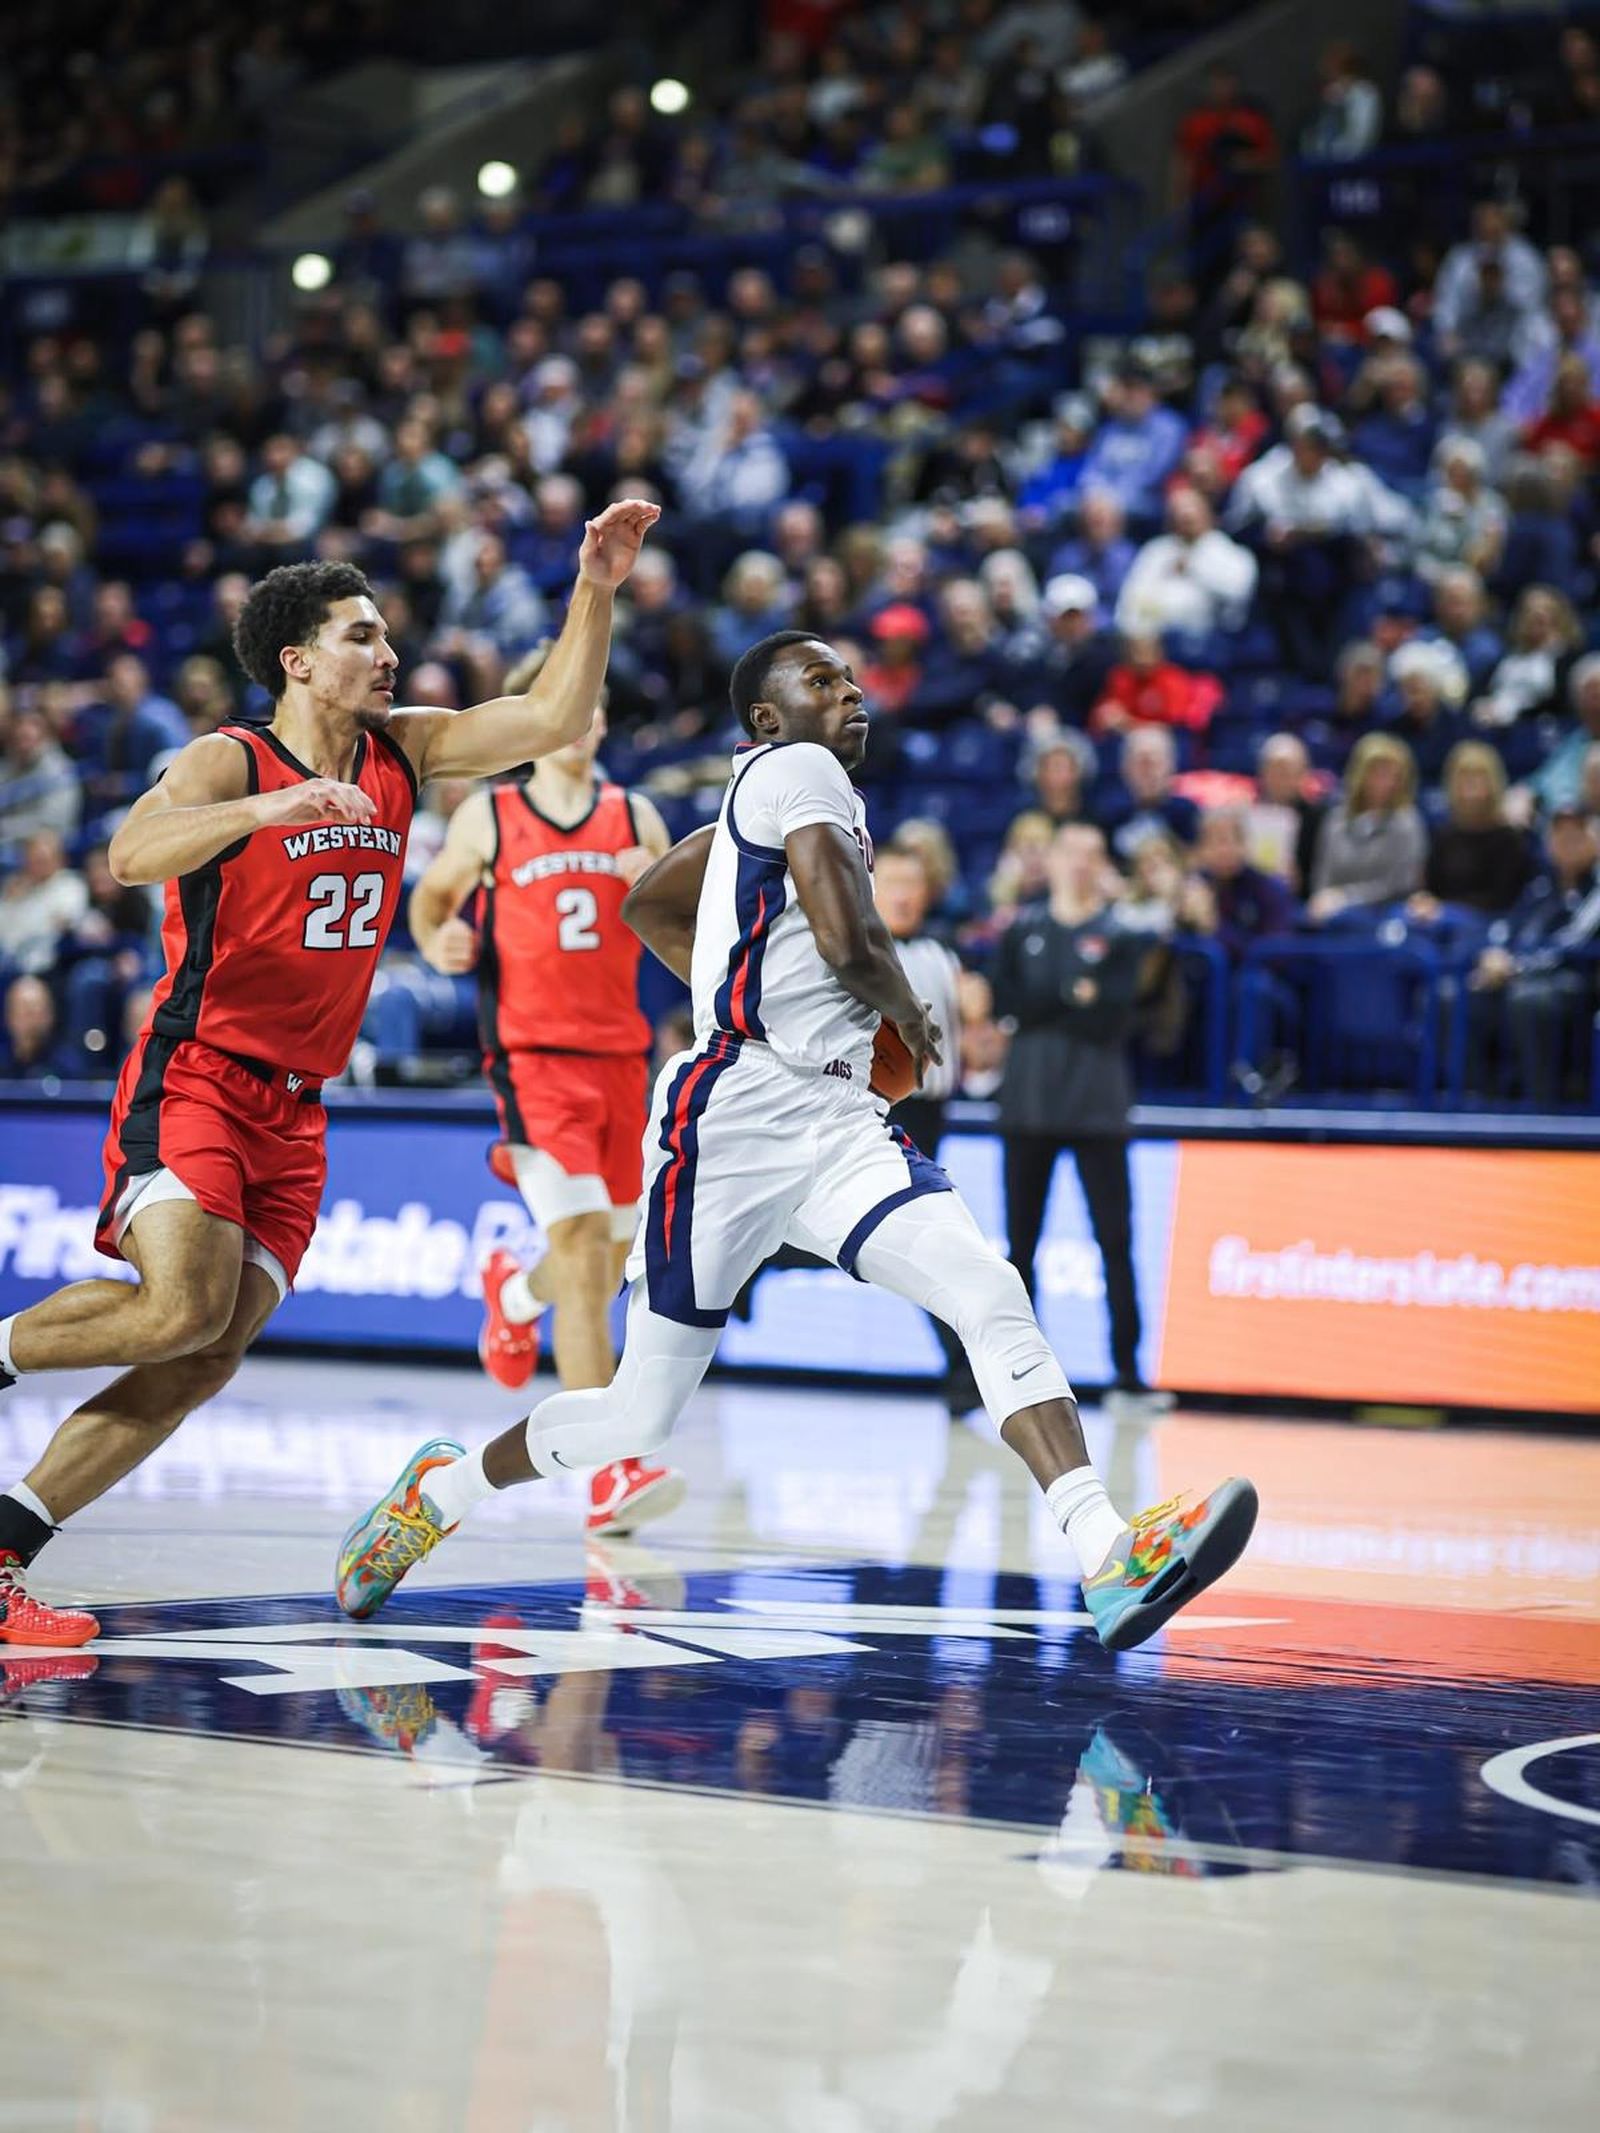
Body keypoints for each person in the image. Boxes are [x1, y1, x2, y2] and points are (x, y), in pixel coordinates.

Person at [338, 630, 1257, 1652]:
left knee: (987, 1289)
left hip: (836, 1118)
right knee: (639, 1414)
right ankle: (443, 1491)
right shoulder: (796, 770)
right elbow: (845, 939)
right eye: (823, 679)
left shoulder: (775, 798)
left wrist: (740, 981)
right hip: (731, 1116)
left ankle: (1105, 1549)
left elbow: (649, 901)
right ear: (767, 718)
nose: (852, 691)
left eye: (853, 677)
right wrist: (901, 1010)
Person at [0, 498, 662, 1648]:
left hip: (300, 1112)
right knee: (180, 1307)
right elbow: (129, 852)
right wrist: (271, 806)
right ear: (298, 660)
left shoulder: (404, 748)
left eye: (387, 633)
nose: (388, 651)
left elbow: (551, 714)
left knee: (203, 1358)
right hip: (201, 1075)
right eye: (362, 635)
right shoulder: (231, 756)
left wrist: (595, 588)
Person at [408, 655, 684, 1540]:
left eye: (594, 708)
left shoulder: (635, 815)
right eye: (568, 706)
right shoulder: (491, 814)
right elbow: (432, 903)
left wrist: (659, 883)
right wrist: (439, 941)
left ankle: (515, 1297)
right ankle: (610, 1470)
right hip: (533, 1060)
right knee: (581, 1246)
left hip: (621, 1062)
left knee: (606, 1257)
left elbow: (687, 931)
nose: (582, 721)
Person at [991, 822, 1171, 1419]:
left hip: (1097, 1109)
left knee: (1115, 1242)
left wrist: (1048, 1005)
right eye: (1071, 851)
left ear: (1104, 865)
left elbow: (1113, 1016)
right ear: (1051, 860)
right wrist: (1072, 996)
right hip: (1028, 1106)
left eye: (1093, 853)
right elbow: (1007, 1001)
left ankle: (1128, 1376)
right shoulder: (1023, 929)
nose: (1080, 863)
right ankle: (1023, 1377)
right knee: (1020, 1248)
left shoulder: (1122, 934)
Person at [1308, 733, 1426, 921]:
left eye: (1393, 776)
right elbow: (1322, 877)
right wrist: (1323, 899)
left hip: (1385, 914)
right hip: (1334, 914)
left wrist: (1345, 897)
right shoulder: (1336, 819)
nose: (1385, 783)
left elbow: (1400, 884)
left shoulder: (1407, 821)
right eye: (1378, 773)